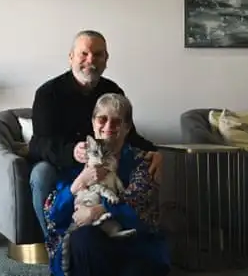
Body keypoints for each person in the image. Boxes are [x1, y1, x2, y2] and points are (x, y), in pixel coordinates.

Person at [28, 30, 163, 236]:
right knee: (40, 173)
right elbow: (38, 144)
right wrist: (72, 152)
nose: (91, 60)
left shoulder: (113, 90)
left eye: (98, 54)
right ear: (71, 56)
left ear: (106, 59)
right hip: (63, 166)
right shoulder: (48, 93)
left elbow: (129, 133)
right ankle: (54, 243)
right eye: (84, 53)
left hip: (104, 165)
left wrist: (154, 152)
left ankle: (123, 232)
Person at [43, 93, 170, 276]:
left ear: (127, 128)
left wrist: (99, 210)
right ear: (94, 122)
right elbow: (53, 216)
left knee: (137, 269)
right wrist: (78, 183)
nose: (108, 126)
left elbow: (140, 209)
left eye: (117, 121)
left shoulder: (142, 161)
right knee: (83, 239)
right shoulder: (76, 163)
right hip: (89, 245)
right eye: (102, 119)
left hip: (133, 244)